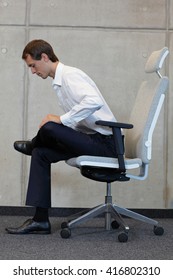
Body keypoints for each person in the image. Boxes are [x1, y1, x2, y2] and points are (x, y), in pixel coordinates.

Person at [6, 39, 117, 234]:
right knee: (41, 153)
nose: (32, 71)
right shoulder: (59, 83)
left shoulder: (70, 75)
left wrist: (60, 120)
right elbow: (79, 120)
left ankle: (32, 144)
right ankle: (40, 221)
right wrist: (63, 127)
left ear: (45, 57)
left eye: (33, 65)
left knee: (50, 125)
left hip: (106, 145)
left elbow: (94, 101)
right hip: (89, 139)